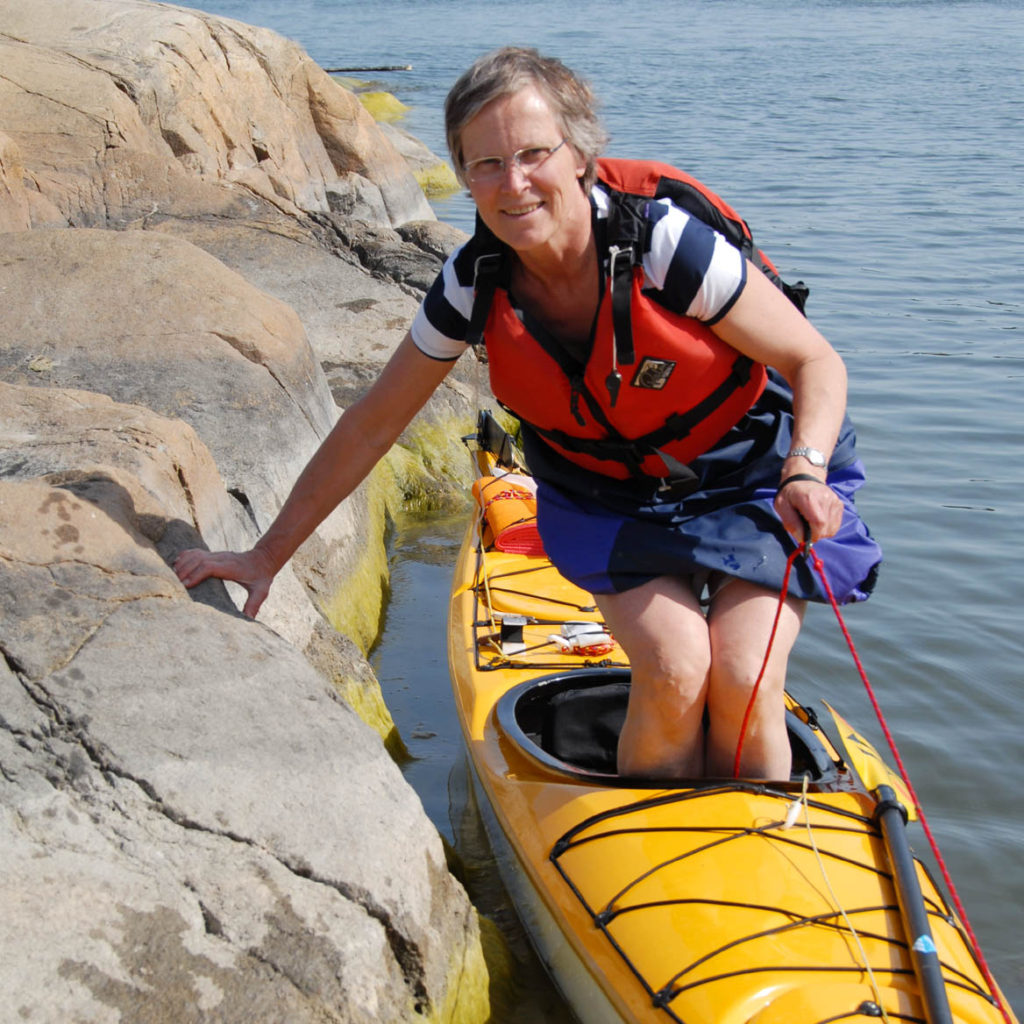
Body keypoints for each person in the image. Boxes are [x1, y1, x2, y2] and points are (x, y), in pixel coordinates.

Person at [175, 46, 881, 782]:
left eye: (533, 154)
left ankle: (767, 834)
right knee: (675, 671)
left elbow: (815, 361)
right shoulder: (472, 284)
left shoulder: (665, 247)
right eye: (485, 164)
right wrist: (264, 557)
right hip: (608, 497)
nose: (513, 184)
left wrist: (807, 469)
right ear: (461, 174)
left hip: (754, 476)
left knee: (743, 678)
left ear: (580, 155)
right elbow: (372, 424)